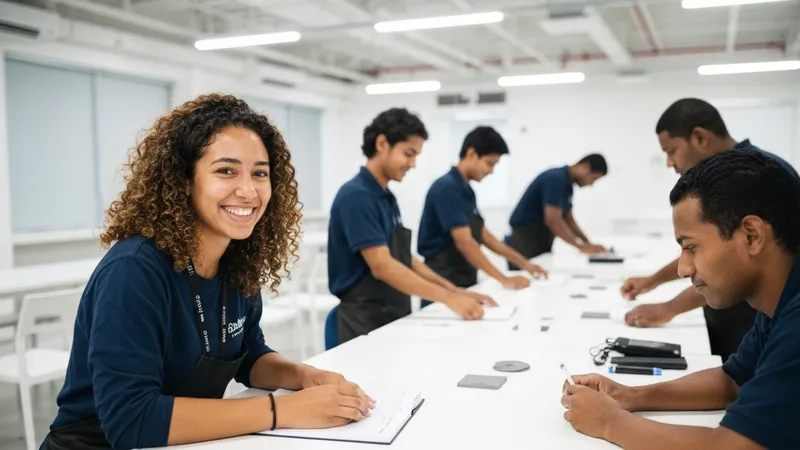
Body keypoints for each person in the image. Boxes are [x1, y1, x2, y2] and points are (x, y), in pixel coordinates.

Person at [41, 94, 373, 450]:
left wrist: (306, 377)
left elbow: (249, 356)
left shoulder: (236, 262)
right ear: (184, 181)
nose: (248, 190)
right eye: (226, 170)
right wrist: (283, 409)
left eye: (260, 173)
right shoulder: (134, 271)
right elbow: (131, 421)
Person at [562, 149, 800, 450]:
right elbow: (734, 379)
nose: (683, 269)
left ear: (751, 236)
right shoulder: (776, 304)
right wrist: (630, 396)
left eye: (691, 247)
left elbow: (735, 446)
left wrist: (611, 423)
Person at [620, 98, 798, 361]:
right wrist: (654, 280)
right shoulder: (733, 174)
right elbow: (707, 250)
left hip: (756, 326)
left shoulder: (755, 176)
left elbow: (724, 264)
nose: (669, 163)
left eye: (671, 151)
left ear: (700, 138)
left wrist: (669, 308)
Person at [328, 108, 496, 345]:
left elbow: (405, 258)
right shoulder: (356, 196)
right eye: (408, 154)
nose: (413, 164)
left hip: (393, 315)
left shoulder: (386, 197)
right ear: (382, 143)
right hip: (364, 324)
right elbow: (382, 266)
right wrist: (448, 298)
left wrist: (454, 290)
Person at [417, 126, 548, 297]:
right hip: (444, 280)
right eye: (490, 163)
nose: (491, 171)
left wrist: (525, 264)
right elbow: (465, 243)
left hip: (465, 278)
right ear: (471, 154)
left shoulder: (466, 190)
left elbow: (487, 238)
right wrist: (503, 279)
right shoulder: (446, 188)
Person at [505, 154, 608, 269]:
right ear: (585, 167)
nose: (591, 184)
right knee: (525, 278)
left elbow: (569, 219)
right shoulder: (556, 178)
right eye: (593, 178)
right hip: (525, 239)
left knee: (541, 274)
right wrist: (580, 247)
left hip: (541, 238)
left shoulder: (567, 185)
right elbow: (553, 220)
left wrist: (587, 243)